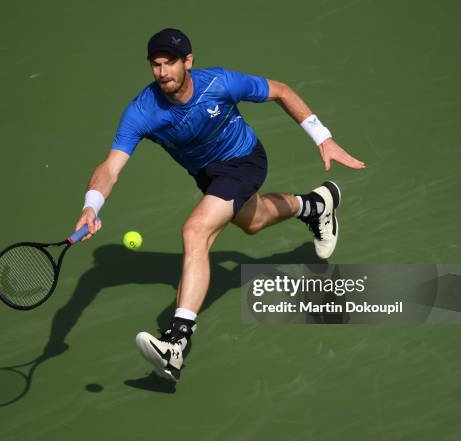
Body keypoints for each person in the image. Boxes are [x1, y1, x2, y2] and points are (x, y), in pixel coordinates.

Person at [75, 28, 365, 382]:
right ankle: (316, 205)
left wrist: (324, 138)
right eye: (156, 64)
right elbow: (111, 166)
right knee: (253, 221)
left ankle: (175, 343)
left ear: (188, 62)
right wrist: (92, 205)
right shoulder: (142, 111)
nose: (162, 71)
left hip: (244, 160)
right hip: (208, 176)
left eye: (170, 63)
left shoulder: (221, 83)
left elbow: (281, 91)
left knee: (195, 231)